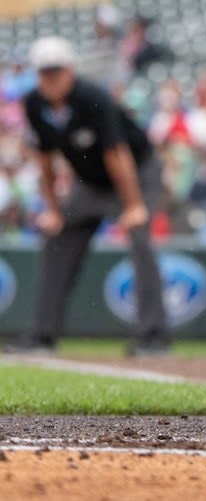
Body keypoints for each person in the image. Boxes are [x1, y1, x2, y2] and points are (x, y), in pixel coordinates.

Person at [5, 37, 170, 357]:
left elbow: (116, 154)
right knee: (58, 241)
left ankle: (154, 336)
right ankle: (43, 335)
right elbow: (45, 161)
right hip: (90, 183)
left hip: (135, 174)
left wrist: (134, 205)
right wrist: (53, 210)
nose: (50, 80)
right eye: (44, 73)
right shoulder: (34, 104)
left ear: (70, 71)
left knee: (141, 241)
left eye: (56, 72)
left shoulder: (93, 98)